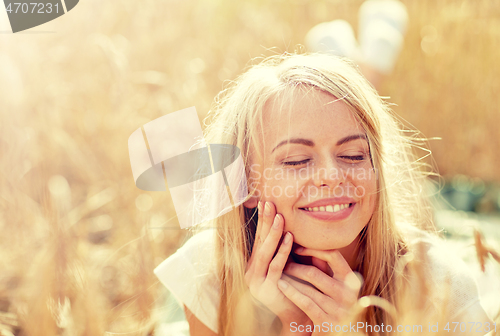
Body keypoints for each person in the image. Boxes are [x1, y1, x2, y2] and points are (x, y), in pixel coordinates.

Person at [154, 53, 493, 336]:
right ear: (247, 185)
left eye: (353, 155)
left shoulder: (438, 284)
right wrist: (291, 325)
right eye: (297, 160)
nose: (332, 176)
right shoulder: (210, 273)